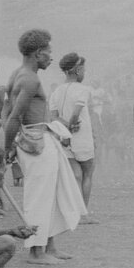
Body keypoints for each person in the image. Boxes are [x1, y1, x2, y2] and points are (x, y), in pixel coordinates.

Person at [3, 29, 87, 265]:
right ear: (39, 53)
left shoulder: (18, 75)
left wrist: (11, 145)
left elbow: (6, 112)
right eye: (49, 52)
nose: (51, 57)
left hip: (41, 138)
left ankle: (49, 245)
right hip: (36, 142)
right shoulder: (29, 79)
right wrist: (6, 150)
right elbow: (12, 117)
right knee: (40, 196)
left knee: (54, 192)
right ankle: (36, 251)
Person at [48, 53, 99, 224]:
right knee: (87, 174)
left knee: (75, 175)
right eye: (83, 69)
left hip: (63, 138)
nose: (84, 72)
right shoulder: (83, 90)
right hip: (81, 136)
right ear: (77, 70)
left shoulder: (56, 91)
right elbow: (77, 112)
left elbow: (53, 116)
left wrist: (65, 129)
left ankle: (75, 214)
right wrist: (71, 126)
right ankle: (83, 214)